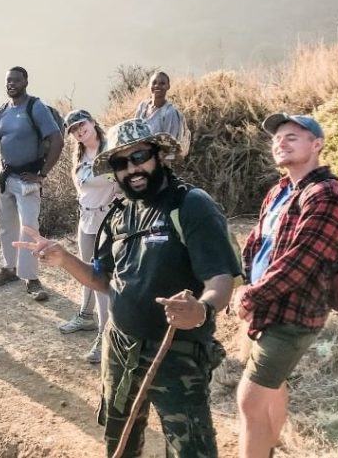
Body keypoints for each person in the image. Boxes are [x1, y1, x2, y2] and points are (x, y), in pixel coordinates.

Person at [16, 119, 239, 457]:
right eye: (121, 163)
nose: (132, 168)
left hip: (175, 354)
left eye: (139, 157)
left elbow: (220, 279)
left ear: (158, 155)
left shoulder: (190, 205)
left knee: (191, 449)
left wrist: (201, 310)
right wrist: (64, 259)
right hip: (120, 346)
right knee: (118, 440)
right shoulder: (118, 214)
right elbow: (102, 279)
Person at [234, 114, 338, 458]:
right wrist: (244, 285)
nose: (280, 143)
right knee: (273, 388)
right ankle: (267, 448)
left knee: (250, 399)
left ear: (317, 145)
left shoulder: (327, 195)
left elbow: (302, 261)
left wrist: (252, 295)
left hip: (294, 314)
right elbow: (256, 241)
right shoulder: (280, 191)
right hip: (267, 306)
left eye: (292, 137)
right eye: (277, 138)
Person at [0, 66, 63, 301]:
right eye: (8, 81)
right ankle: (9, 269)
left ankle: (31, 278)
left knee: (28, 227)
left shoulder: (36, 107)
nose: (11, 84)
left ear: (26, 81)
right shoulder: (1, 111)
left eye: (16, 80)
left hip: (28, 177)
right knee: (6, 225)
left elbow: (57, 140)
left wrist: (42, 175)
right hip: (4, 176)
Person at [56, 110, 119, 365]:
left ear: (92, 122)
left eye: (82, 124)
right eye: (74, 129)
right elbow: (81, 190)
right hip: (86, 221)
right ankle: (85, 316)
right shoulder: (79, 157)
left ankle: (106, 336)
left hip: (108, 222)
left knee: (101, 277)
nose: (79, 131)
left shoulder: (111, 151)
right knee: (85, 272)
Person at [135, 71, 190, 156]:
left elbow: (171, 147)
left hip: (159, 159)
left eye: (162, 83)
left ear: (168, 86)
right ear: (149, 85)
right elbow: (135, 132)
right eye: (154, 83)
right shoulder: (143, 106)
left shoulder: (170, 113)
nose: (157, 86)